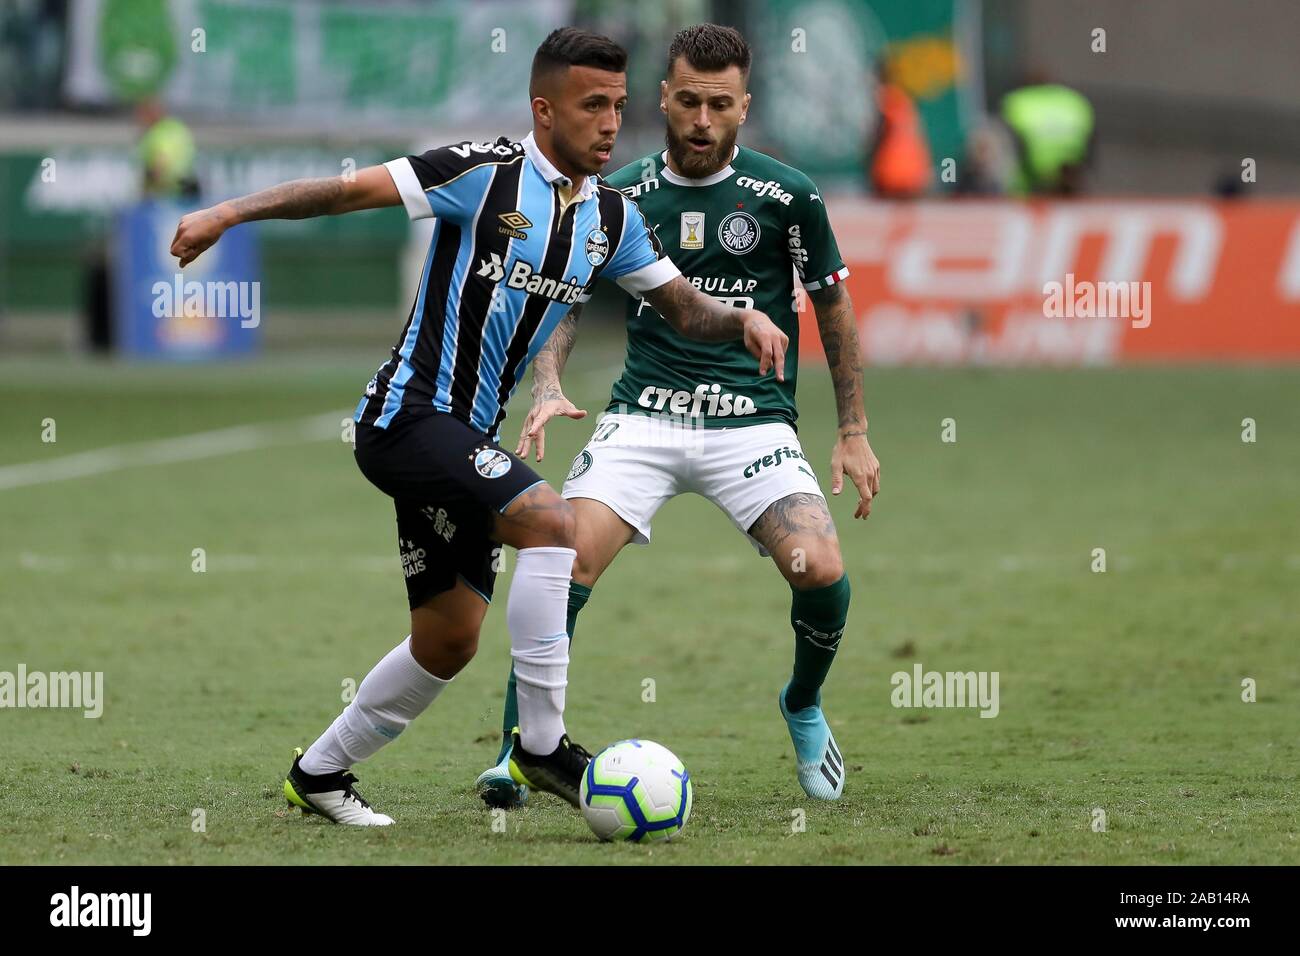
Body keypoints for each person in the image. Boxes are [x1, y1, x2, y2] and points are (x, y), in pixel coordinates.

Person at [168, 27, 788, 825]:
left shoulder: (609, 217)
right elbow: (345, 190)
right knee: (551, 522)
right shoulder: (479, 173)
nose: (609, 123)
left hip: (467, 443)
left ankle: (319, 774)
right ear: (544, 109)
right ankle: (541, 746)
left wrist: (739, 318)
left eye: (619, 106)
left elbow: (683, 307)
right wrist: (226, 212)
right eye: (591, 105)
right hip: (406, 418)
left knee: (448, 641)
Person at [477, 24, 880, 809]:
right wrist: (549, 378)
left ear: (744, 106)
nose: (702, 120)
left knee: (821, 571)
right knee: (559, 560)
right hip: (644, 418)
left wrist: (854, 429)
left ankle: (801, 703)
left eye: (720, 105)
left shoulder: (788, 195)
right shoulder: (615, 193)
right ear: (662, 97)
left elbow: (832, 304)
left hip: (752, 423)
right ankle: (517, 749)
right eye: (689, 100)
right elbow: (566, 296)